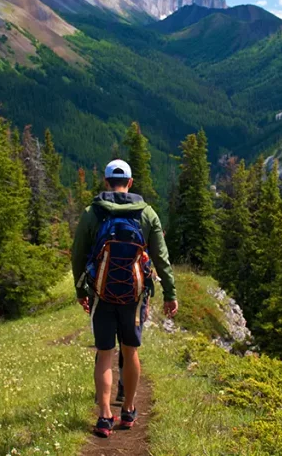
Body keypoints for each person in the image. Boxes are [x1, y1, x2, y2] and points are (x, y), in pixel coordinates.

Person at [72, 159, 178, 438]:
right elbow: (162, 258)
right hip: (134, 297)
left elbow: (78, 255)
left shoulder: (92, 213)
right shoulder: (147, 214)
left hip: (102, 293)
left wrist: (80, 290)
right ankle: (129, 409)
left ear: (106, 182)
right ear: (130, 183)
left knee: (104, 353)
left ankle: (105, 416)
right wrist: (170, 294)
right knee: (130, 351)